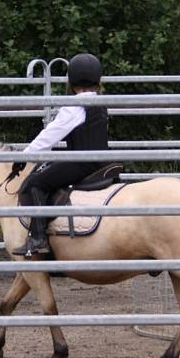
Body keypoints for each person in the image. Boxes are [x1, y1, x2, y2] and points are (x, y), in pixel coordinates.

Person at [11, 53, 109, 256]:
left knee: (36, 183)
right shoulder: (100, 102)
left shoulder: (73, 106)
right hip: (102, 162)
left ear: (72, 82)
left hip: (82, 163)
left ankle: (38, 238)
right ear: (97, 80)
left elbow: (49, 136)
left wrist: (24, 156)